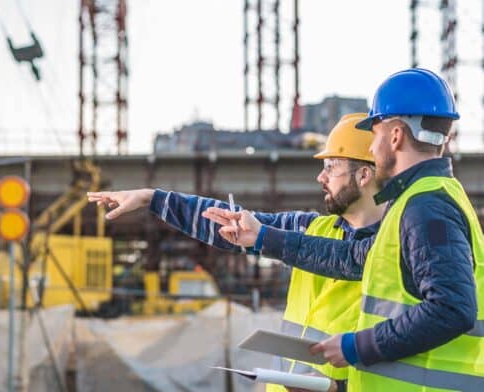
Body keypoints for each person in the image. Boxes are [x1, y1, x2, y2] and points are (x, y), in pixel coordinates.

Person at [208, 68, 484, 391]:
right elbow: (351, 257)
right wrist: (262, 237)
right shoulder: (420, 200)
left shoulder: (427, 208)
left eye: (375, 134)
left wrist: (354, 347)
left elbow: (452, 308)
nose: (371, 148)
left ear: (395, 136)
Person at [87, 113, 384, 392]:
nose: (321, 177)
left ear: (364, 175)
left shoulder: (395, 246)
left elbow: (399, 350)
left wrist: (338, 387)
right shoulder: (311, 228)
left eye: (331, 166)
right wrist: (152, 198)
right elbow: (230, 224)